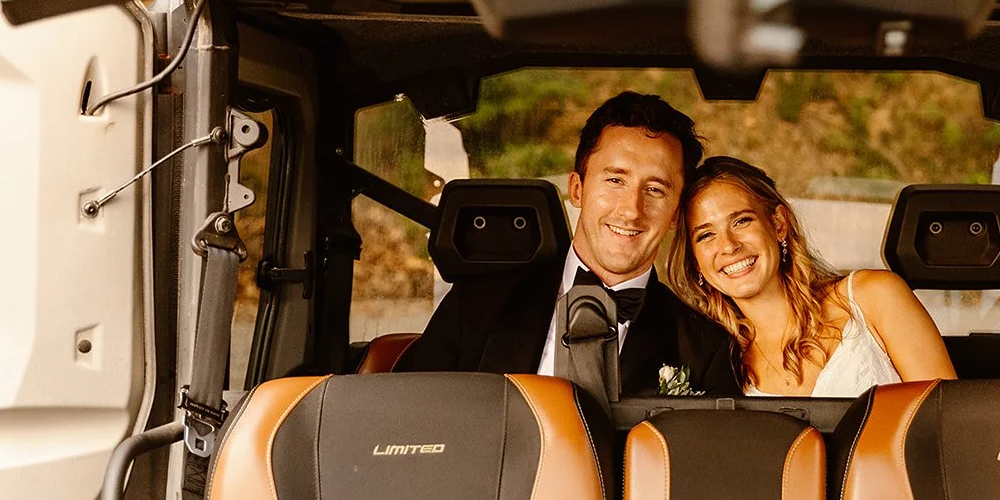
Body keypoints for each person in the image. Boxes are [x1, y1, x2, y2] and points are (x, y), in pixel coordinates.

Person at [396, 92, 740, 396]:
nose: (631, 210)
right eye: (615, 180)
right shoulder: (475, 304)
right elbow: (404, 416)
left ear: (676, 213)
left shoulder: (706, 350)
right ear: (577, 189)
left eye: (655, 189)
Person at [668, 157, 956, 397]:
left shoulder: (872, 296)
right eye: (706, 235)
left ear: (778, 224)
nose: (729, 246)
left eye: (742, 221)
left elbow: (948, 425)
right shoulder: (715, 364)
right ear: (696, 262)